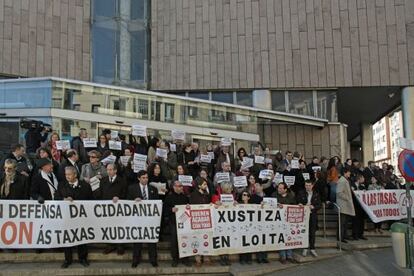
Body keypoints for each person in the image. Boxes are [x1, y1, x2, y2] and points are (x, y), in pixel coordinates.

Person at [56, 166, 93, 268]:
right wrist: (64, 199)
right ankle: (68, 260)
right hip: (67, 218)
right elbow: (56, 197)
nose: (67, 176)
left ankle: (83, 258)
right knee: (67, 239)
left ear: (75, 175)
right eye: (66, 174)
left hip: (81, 218)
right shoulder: (61, 185)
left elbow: (91, 200)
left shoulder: (85, 185)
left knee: (82, 238)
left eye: (69, 174)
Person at [127, 170, 159, 268]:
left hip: (150, 219)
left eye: (147, 177)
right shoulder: (132, 188)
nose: (145, 179)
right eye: (143, 178)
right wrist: (133, 201)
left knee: (151, 240)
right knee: (137, 240)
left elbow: (156, 203)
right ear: (139, 178)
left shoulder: (153, 189)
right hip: (137, 218)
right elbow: (127, 202)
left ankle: (153, 260)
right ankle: (136, 260)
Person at [99, 164, 127, 255]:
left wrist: (119, 198)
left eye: (111, 169)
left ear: (115, 171)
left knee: (119, 227)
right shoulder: (103, 181)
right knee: (108, 227)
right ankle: (110, 245)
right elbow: (100, 194)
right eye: (108, 170)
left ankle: (120, 246)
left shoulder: (122, 181)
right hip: (107, 209)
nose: (109, 171)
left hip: (118, 209)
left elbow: (125, 194)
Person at [164, 180, 191, 267]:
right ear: (174, 187)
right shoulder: (169, 197)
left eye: (181, 186)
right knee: (174, 241)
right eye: (178, 186)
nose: (180, 187)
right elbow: (164, 211)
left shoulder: (185, 197)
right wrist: (171, 210)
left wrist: (188, 207)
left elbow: (189, 209)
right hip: (174, 222)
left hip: (184, 223)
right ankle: (175, 259)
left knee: (185, 239)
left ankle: (185, 259)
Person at [189, 177, 212, 267]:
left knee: (206, 239)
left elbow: (209, 203)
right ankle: (198, 259)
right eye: (204, 184)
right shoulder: (193, 195)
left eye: (206, 184)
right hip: (197, 221)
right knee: (197, 239)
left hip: (206, 221)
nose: (206, 186)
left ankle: (206, 257)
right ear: (199, 185)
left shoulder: (207, 194)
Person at [297, 180, 322, 257]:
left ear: (312, 186)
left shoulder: (316, 194)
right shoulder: (301, 193)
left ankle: (312, 248)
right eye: (306, 185)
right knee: (304, 232)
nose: (307, 187)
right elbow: (297, 201)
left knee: (312, 232)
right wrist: (299, 204)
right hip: (304, 216)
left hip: (313, 215)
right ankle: (305, 248)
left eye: (309, 185)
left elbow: (319, 205)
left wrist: (314, 207)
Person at [276, 182, 297, 264]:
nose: (279, 189)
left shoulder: (291, 197)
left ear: (285, 189)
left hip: (289, 221)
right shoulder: (275, 195)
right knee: (281, 238)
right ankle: (283, 256)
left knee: (289, 237)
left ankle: (289, 255)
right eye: (278, 188)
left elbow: (294, 206)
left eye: (281, 188)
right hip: (279, 221)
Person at [249, 183, 269, 263]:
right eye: (255, 187)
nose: (256, 188)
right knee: (258, 238)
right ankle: (259, 257)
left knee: (265, 239)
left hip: (266, 221)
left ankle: (264, 256)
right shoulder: (253, 197)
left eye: (257, 186)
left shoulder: (267, 197)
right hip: (256, 220)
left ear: (262, 187)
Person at [336, 168, 355, 243]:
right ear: (345, 173)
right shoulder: (342, 181)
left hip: (345, 204)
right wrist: (347, 198)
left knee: (345, 221)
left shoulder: (344, 180)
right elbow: (339, 192)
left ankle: (344, 235)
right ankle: (340, 236)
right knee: (342, 222)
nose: (349, 174)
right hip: (343, 204)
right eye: (348, 173)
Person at [351, 174, 367, 240]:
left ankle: (361, 234)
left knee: (361, 221)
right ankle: (355, 235)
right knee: (355, 221)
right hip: (355, 206)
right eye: (362, 178)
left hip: (362, 207)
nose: (363, 179)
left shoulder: (362, 187)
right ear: (359, 179)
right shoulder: (352, 186)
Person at [238, 191, 252, 265]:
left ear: (249, 197)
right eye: (243, 194)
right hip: (241, 227)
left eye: (245, 195)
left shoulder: (253, 206)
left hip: (249, 227)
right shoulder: (238, 205)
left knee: (249, 243)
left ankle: (249, 259)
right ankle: (242, 259)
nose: (244, 196)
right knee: (242, 243)